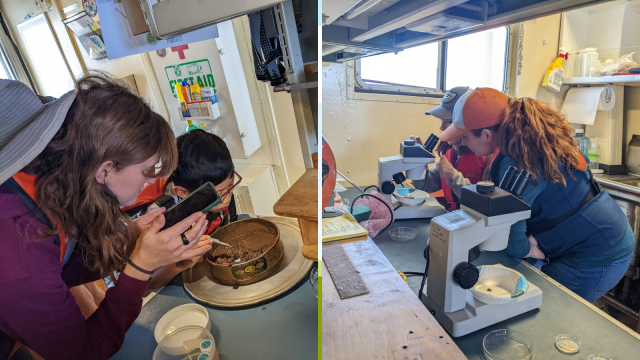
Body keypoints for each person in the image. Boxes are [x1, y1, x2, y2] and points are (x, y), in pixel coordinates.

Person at [0, 75, 214, 359]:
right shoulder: (17, 243)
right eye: (147, 171)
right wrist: (140, 266)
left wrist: (130, 240)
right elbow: (83, 353)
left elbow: (61, 269)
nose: (148, 185)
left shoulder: (45, 182)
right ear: (105, 170)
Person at [439, 87, 635, 302]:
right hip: (597, 235)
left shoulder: (521, 159)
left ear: (487, 135)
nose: (462, 143)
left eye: (465, 137)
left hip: (595, 253)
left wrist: (526, 249)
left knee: (549, 316)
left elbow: (512, 230)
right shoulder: (528, 140)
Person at [121, 129, 241, 295]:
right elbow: (146, 284)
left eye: (231, 185)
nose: (228, 197)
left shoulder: (217, 197)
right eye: (220, 194)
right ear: (183, 193)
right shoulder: (161, 219)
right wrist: (180, 264)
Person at [412, 86, 488, 211]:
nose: (442, 127)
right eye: (441, 121)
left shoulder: (486, 155)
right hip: (451, 217)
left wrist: (454, 177)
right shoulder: (450, 152)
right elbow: (425, 187)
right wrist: (418, 164)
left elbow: (486, 203)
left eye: (448, 121)